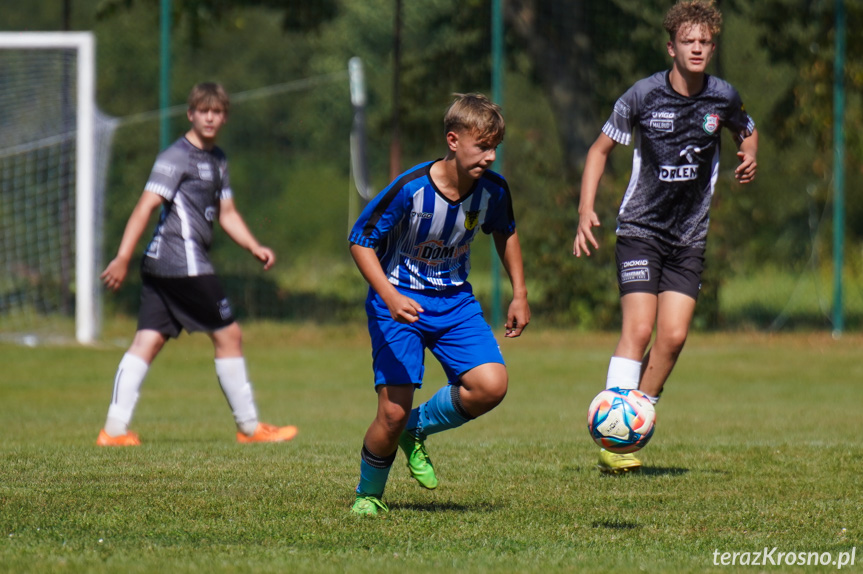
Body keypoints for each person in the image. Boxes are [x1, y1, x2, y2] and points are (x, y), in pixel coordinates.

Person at [573, 0, 758, 473]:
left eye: (705, 42)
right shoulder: (641, 96)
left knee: (672, 338)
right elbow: (598, 151)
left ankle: (636, 418)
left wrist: (748, 154)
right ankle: (614, 439)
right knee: (638, 328)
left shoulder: (723, 97)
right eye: (688, 41)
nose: (696, 48)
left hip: (689, 237)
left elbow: (747, 128)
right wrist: (585, 209)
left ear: (712, 48)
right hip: (640, 230)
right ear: (670, 45)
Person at [347, 93, 530, 515]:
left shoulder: (493, 191)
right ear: (453, 140)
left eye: (494, 147)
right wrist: (389, 295)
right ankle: (369, 496)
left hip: (454, 302)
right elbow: (360, 242)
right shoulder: (410, 189)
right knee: (391, 413)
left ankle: (417, 430)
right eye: (482, 146)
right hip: (398, 303)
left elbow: (506, 232)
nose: (490, 156)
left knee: (490, 386)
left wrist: (519, 293)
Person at [96, 82, 297, 446]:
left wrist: (253, 245)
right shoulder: (176, 157)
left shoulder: (217, 159)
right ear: (190, 114)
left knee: (148, 341)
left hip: (164, 265)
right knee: (229, 335)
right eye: (202, 110)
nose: (209, 117)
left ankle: (112, 431)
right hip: (181, 260)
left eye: (216, 111)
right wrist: (122, 256)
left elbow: (228, 212)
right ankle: (250, 428)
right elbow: (145, 206)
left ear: (224, 116)